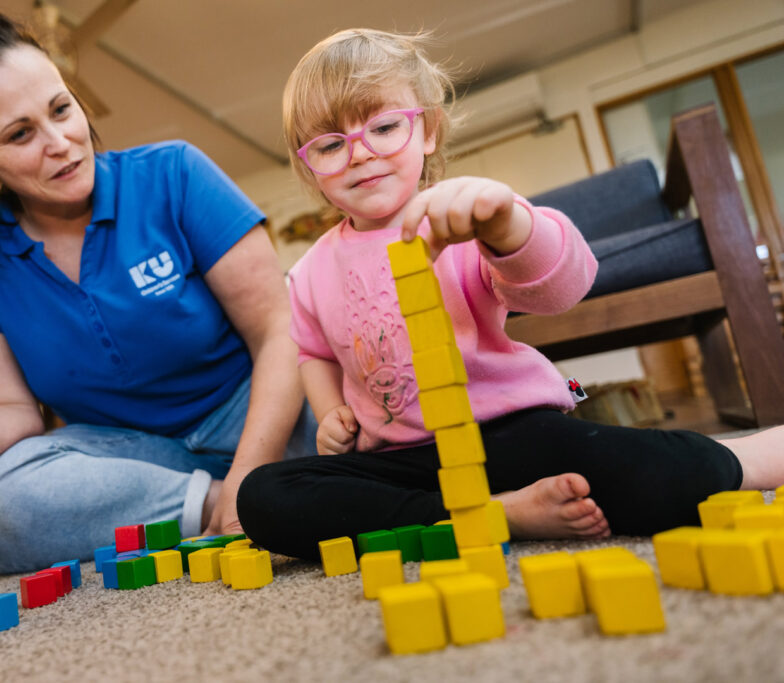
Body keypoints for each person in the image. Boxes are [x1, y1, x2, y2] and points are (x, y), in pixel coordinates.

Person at [235, 28, 784, 561]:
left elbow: (564, 287)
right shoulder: (307, 272)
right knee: (263, 497)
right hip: (404, 460)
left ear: (428, 132)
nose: (359, 154)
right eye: (331, 144)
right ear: (310, 168)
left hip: (511, 435)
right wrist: (331, 412)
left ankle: (744, 459)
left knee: (635, 470)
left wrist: (506, 224)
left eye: (383, 128)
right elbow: (314, 353)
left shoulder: (464, 216)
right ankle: (492, 514)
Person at [0, 10, 315, 574]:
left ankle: (254, 488)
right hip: (130, 458)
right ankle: (217, 504)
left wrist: (249, 467)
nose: (62, 142)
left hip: (260, 414)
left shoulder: (175, 172)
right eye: (20, 134)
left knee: (375, 410)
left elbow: (278, 331)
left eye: (62, 109)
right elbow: (10, 417)